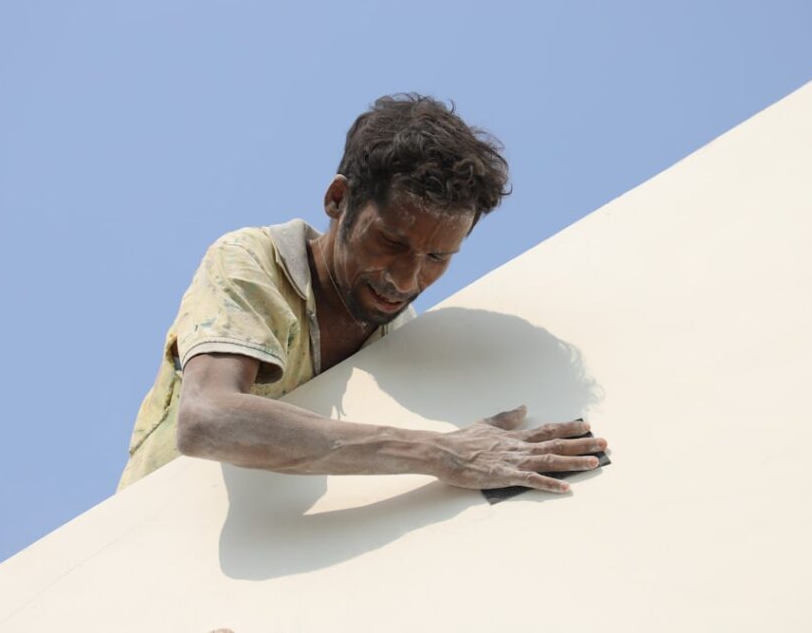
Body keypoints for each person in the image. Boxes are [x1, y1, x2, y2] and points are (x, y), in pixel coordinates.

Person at [116, 94, 606, 492]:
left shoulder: (402, 337)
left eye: (437, 259)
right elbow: (207, 419)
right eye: (391, 242)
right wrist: (440, 452)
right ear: (337, 200)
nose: (406, 280)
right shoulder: (252, 260)